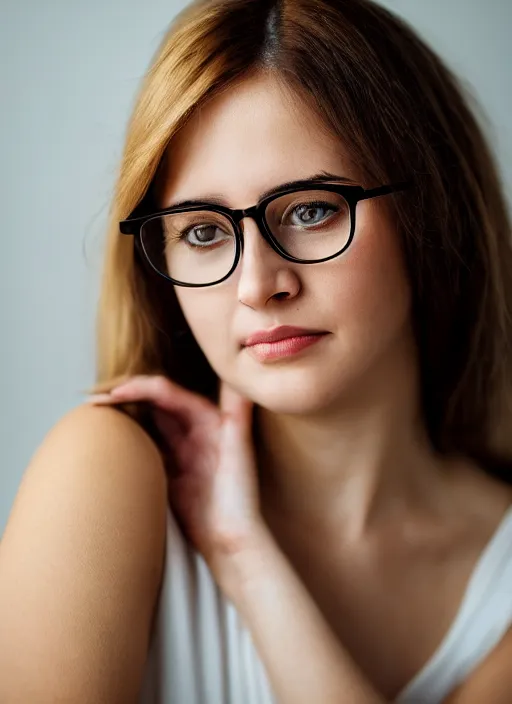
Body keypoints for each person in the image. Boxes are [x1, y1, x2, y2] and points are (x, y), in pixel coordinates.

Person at [1, 0, 512, 701]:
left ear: (432, 211)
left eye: (310, 210)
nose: (257, 285)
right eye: (204, 232)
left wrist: (246, 560)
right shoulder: (105, 472)